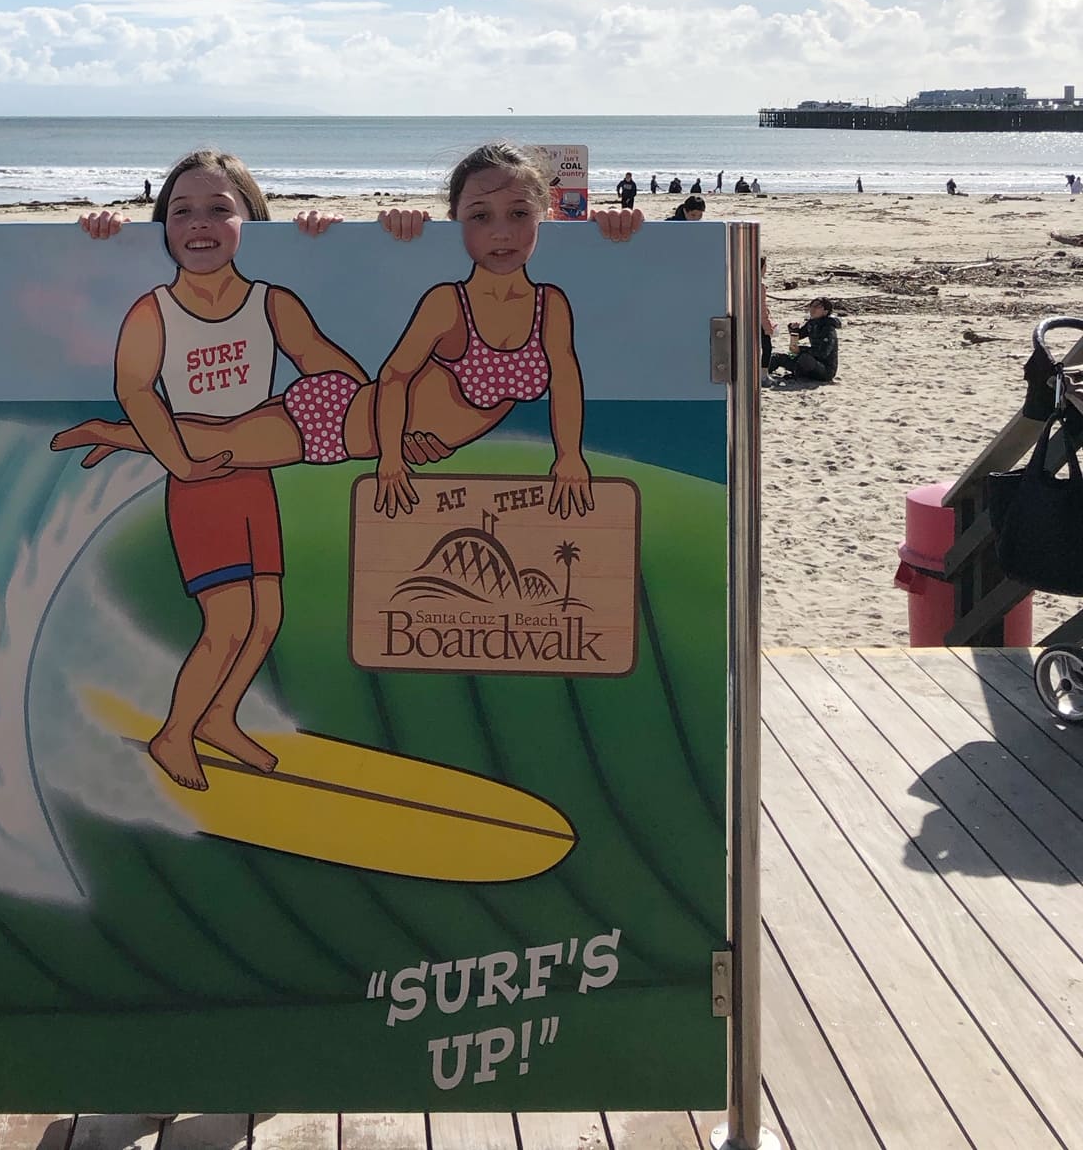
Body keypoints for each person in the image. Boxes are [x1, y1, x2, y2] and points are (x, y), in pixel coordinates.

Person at [54, 141, 644, 521]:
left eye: (520, 216)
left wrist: (569, 456)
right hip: (340, 425)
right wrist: (391, 457)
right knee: (217, 443)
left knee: (221, 436)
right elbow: (394, 377)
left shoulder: (551, 303)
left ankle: (122, 432)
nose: (502, 232)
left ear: (543, 216)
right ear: (457, 223)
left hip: (350, 403)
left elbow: (566, 377)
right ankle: (116, 431)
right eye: (481, 217)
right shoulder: (449, 303)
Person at [57, 151, 378, 790]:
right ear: (163, 227)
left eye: (219, 209)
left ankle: (220, 719)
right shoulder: (154, 310)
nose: (200, 224)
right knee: (227, 620)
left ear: (250, 222)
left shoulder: (271, 302)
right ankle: (175, 733)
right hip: (199, 487)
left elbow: (323, 359)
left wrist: (359, 405)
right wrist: (180, 461)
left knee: (265, 616)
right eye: (182, 212)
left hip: (253, 476)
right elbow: (137, 390)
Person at [768, 297, 840, 383]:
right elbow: (800, 335)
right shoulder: (812, 323)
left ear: (825, 311)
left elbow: (822, 353)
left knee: (804, 358)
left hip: (824, 369)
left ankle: (797, 374)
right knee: (776, 357)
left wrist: (801, 349)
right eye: (811, 306)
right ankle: (762, 374)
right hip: (808, 362)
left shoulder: (828, 328)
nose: (812, 309)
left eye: (817, 307)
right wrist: (793, 329)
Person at [758, 255, 776, 388]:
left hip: (746, 321)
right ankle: (763, 375)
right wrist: (767, 327)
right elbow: (762, 310)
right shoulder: (760, 287)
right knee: (767, 347)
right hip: (758, 323)